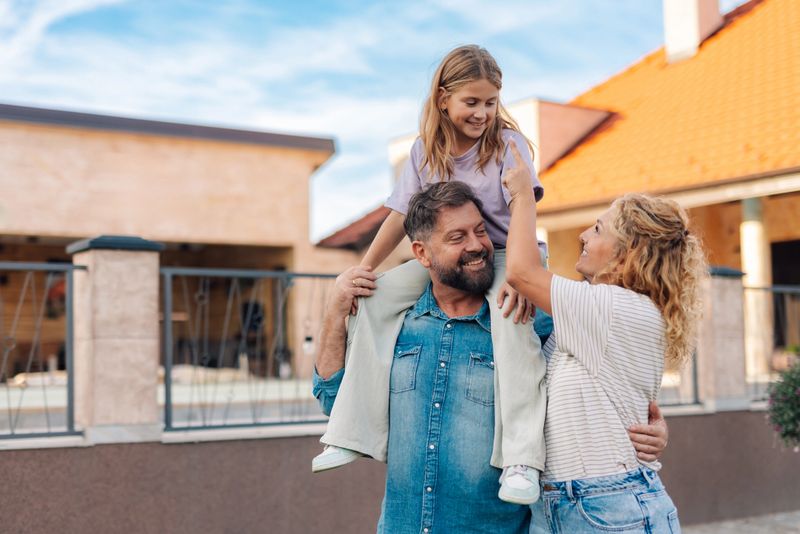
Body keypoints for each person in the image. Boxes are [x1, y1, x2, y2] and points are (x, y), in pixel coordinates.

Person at [313, 182, 669, 533]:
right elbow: (335, 400)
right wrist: (333, 313)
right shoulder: (396, 326)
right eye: (457, 238)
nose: (477, 246)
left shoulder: (531, 321)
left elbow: (604, 377)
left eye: (480, 231)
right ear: (421, 253)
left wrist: (649, 427)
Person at [313, 44, 548, 504]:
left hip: (505, 254)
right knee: (374, 298)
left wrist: (525, 275)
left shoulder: (508, 145)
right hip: (451, 258)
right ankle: (350, 430)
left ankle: (521, 460)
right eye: (471, 102)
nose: (482, 113)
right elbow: (401, 215)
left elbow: (525, 206)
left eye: (491, 102)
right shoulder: (426, 151)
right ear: (444, 99)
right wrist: (363, 270)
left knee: (511, 322)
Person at [503, 141, 706, 533]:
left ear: (627, 254)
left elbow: (521, 271)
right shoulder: (599, 314)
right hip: (570, 504)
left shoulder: (613, 309)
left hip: (605, 504)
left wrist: (523, 195)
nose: (582, 233)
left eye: (597, 229)